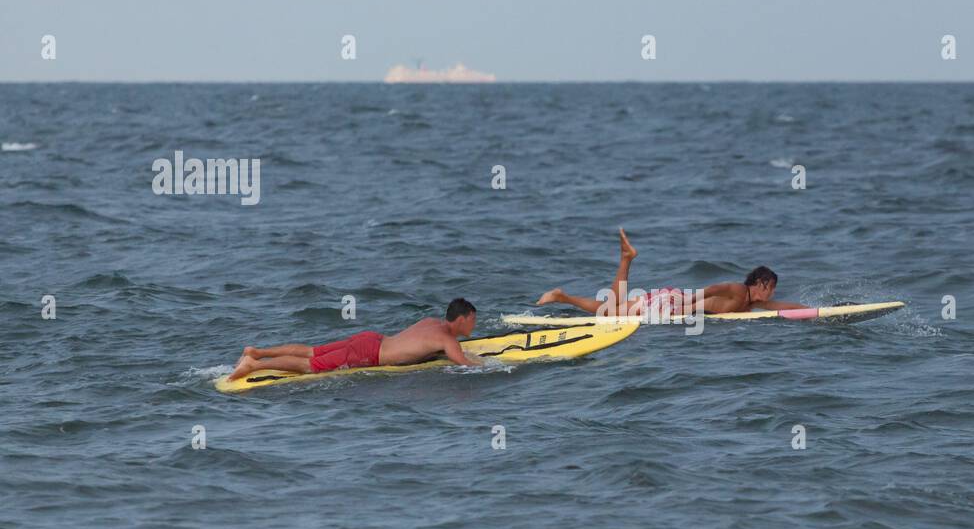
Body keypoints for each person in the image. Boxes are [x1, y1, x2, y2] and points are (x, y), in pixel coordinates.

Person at [534, 228, 805, 317]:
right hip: (675, 303)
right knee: (610, 312)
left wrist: (814, 311)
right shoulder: (738, 291)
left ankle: (562, 297)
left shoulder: (749, 304)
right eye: (772, 287)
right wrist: (686, 301)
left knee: (610, 309)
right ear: (761, 283)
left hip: (676, 304)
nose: (773, 293)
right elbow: (711, 289)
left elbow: (779, 307)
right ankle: (625, 258)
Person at [227, 298, 482, 380]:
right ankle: (254, 365)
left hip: (371, 339)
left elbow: (420, 346)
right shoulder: (449, 341)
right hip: (369, 355)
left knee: (313, 352)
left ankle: (258, 351)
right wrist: (493, 366)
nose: (475, 324)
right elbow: (464, 365)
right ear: (462, 319)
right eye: (473, 319)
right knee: (310, 367)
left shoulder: (430, 322)